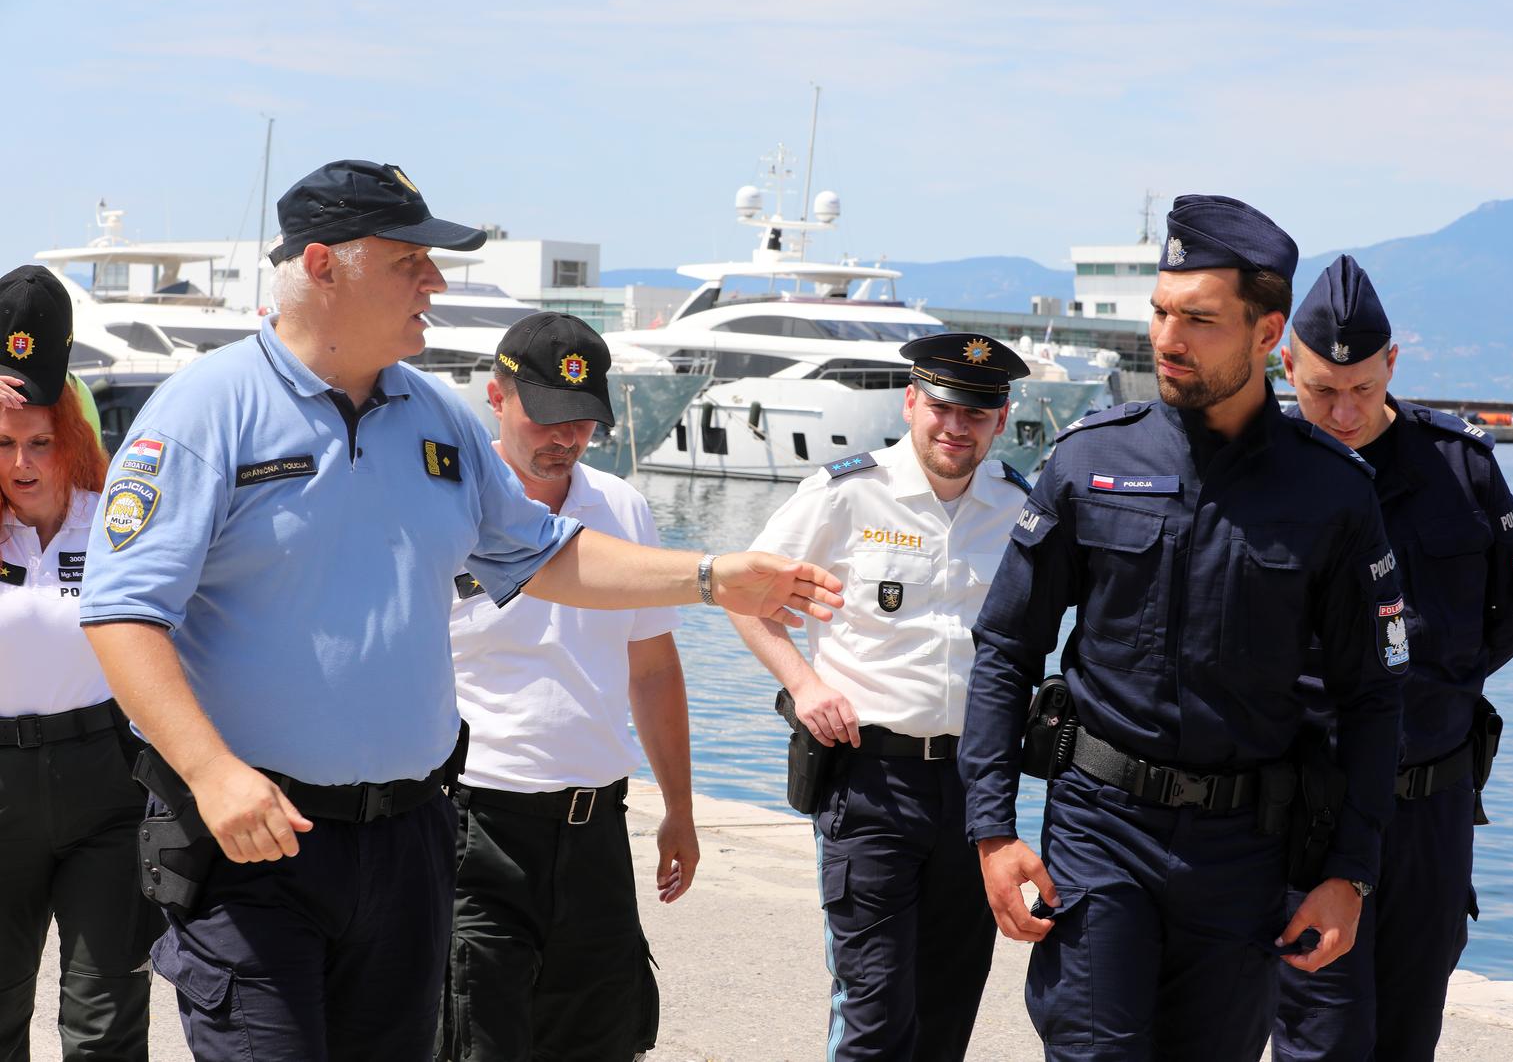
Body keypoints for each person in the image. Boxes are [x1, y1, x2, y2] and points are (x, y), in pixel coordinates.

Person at [77, 159, 842, 1062]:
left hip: (409, 845)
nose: (436, 282)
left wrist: (714, 577)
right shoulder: (208, 411)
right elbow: (122, 612)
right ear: (323, 265)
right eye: (411, 261)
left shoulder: (436, 419)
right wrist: (211, 773)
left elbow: (549, 555)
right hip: (255, 843)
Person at [959, 195, 1411, 1061]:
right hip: (1099, 831)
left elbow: (1371, 695)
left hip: (1245, 854)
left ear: (1266, 330)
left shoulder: (1333, 493)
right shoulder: (1090, 459)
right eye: (1162, 312)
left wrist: (1350, 872)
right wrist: (993, 828)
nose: (1168, 338)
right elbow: (1007, 647)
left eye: (1199, 319)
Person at [730, 332, 1033, 1061]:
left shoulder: (1020, 507)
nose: (955, 427)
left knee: (946, 1007)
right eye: (941, 407)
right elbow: (744, 593)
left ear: (1001, 418)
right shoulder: (846, 491)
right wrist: (803, 683)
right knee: (873, 1006)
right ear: (910, 402)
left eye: (977, 413)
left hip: (975, 789)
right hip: (870, 780)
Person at [1274, 256, 1513, 1061]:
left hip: (1431, 808)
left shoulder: (1458, 466)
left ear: (1393, 365)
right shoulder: (1266, 474)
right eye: (1323, 392)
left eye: (1362, 388)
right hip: (1311, 809)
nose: (1346, 412)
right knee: (1321, 1035)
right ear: (1287, 364)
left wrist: (1430, 691)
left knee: (1409, 1030)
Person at [439, 312, 697, 1062]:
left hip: (594, 831)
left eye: (585, 421)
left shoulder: (621, 509)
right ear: (496, 396)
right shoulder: (450, 508)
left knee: (602, 1043)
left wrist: (679, 807)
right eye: (549, 418)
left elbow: (652, 668)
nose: (567, 437)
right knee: (470, 1041)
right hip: (472, 825)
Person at [0, 265, 163, 1060]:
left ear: (72, 438)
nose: (24, 464)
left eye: (40, 442)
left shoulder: (116, 523)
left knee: (106, 1019)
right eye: (3, 443)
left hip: (106, 782)